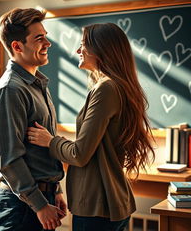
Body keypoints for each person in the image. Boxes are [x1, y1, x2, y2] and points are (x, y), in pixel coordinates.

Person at [27, 23, 155, 231]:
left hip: (97, 207)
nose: (78, 51)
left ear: (102, 50)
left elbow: (79, 154)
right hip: (111, 203)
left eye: (83, 45)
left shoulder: (106, 88)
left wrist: (50, 141)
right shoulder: (117, 86)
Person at [0, 8, 67, 231]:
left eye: (46, 36)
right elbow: (9, 159)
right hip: (21, 207)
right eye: (39, 38)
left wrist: (55, 189)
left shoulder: (36, 83)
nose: (48, 43)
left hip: (40, 197)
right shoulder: (10, 90)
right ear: (17, 46)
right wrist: (40, 204)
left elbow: (40, 151)